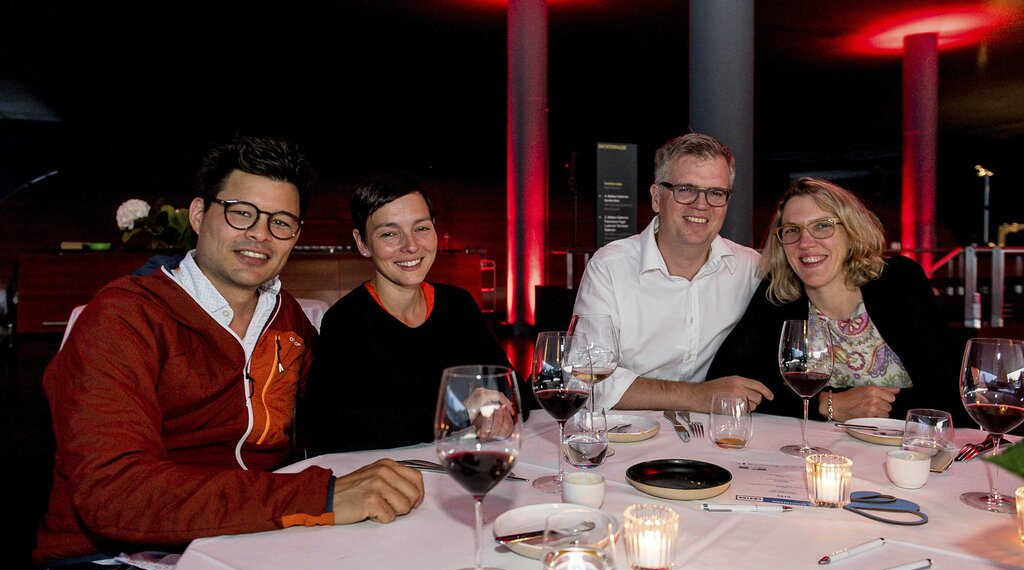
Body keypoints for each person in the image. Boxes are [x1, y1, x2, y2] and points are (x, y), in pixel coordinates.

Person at [31, 137, 425, 570]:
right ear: (199, 214)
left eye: (281, 222)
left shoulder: (290, 324)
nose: (261, 235)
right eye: (242, 213)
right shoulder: (124, 319)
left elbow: (348, 418)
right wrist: (322, 494)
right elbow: (115, 494)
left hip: (255, 551)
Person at [304, 171, 531, 454]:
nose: (410, 245)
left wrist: (500, 410)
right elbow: (333, 429)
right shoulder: (346, 321)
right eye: (389, 233)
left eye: (421, 228)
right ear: (362, 243)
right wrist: (456, 412)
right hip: (387, 477)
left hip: (461, 464)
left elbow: (515, 390)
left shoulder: (458, 305)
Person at [707, 176, 964, 423]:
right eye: (792, 230)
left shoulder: (899, 282)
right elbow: (727, 385)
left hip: (905, 453)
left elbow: (951, 390)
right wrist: (827, 404)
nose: (805, 242)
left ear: (851, 231)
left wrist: (875, 407)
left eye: (822, 226)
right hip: (816, 456)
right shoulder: (777, 296)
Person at [572, 132, 773, 412]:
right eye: (686, 189)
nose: (701, 205)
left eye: (715, 193)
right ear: (657, 198)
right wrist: (697, 396)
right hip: (625, 438)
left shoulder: (750, 269)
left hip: (712, 437)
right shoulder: (610, 268)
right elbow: (589, 380)